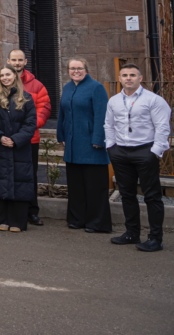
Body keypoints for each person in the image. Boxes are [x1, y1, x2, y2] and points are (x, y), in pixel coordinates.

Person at [106, 64, 171, 252]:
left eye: (132, 75)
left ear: (140, 78)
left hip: (145, 151)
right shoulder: (114, 101)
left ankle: (155, 238)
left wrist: (155, 151)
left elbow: (162, 127)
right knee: (127, 194)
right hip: (121, 152)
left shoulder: (154, 100)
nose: (128, 78)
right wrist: (111, 146)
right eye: (125, 75)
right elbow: (108, 125)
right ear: (120, 78)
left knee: (152, 196)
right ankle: (131, 233)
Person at [57, 57, 112, 234]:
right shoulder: (67, 87)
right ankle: (76, 219)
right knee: (76, 186)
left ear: (86, 69)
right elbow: (62, 114)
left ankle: (97, 222)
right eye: (72, 68)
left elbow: (102, 115)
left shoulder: (96, 87)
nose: (76, 71)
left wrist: (98, 139)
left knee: (94, 186)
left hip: (91, 144)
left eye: (79, 68)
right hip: (72, 144)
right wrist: (61, 134)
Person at [0, 65, 37, 232]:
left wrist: (15, 139)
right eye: (2, 75)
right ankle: (1, 219)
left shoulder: (26, 98)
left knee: (19, 182)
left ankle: (17, 221)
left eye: (8, 74)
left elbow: (30, 124)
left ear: (15, 76)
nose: (5, 78)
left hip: (19, 148)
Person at [2, 49, 51, 226]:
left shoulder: (36, 85)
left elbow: (44, 109)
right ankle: (11, 212)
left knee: (29, 176)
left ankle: (32, 211)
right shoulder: (0, 83)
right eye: (13, 60)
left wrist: (25, 130)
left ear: (25, 62)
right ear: (8, 60)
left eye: (20, 60)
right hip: (6, 141)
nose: (16, 63)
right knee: (9, 174)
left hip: (29, 140)